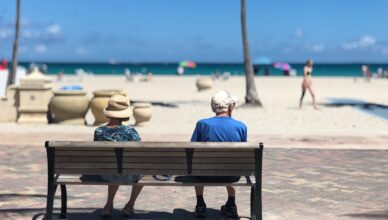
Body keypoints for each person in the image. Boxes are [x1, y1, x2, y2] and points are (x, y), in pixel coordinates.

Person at [191, 90, 247, 218]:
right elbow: (243, 155)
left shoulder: (202, 124)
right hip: (231, 176)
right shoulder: (241, 127)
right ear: (229, 107)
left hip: (204, 175)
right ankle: (231, 205)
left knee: (196, 165)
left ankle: (200, 204)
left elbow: (191, 149)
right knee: (233, 163)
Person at [93, 94, 143, 217]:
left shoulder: (99, 132)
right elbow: (139, 153)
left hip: (106, 174)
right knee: (142, 169)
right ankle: (130, 205)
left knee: (113, 167)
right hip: (130, 175)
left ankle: (109, 204)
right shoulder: (131, 132)